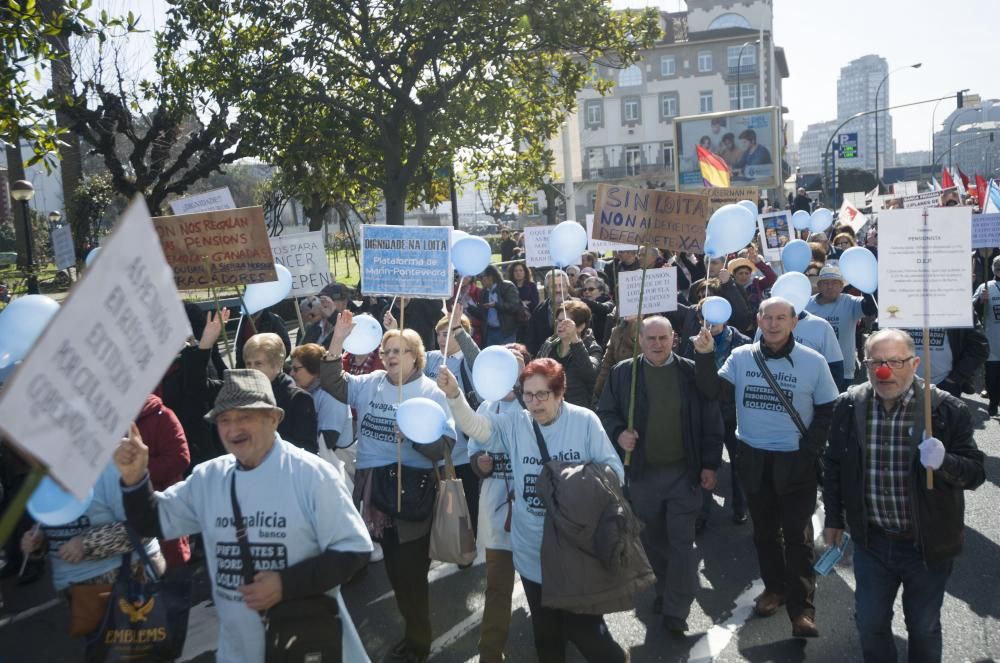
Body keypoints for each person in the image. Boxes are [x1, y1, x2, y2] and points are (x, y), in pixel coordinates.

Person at [114, 370, 373, 663]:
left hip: (309, 644)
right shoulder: (208, 478)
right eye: (224, 420)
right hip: (238, 651)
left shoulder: (311, 475)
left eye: (244, 416)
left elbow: (354, 551)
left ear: (273, 418)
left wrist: (284, 584)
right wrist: (135, 480)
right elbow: (153, 521)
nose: (233, 428)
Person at [436, 359, 631, 663]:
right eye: (528, 395)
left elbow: (614, 472)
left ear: (560, 393)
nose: (534, 403)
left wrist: (574, 483)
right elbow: (476, 427)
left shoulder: (585, 421)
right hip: (532, 551)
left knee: (586, 631)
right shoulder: (516, 423)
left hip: (576, 549)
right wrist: (454, 395)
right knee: (547, 634)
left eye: (542, 395)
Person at [823, 328, 985, 662]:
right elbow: (834, 465)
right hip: (872, 541)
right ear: (866, 364)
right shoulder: (849, 405)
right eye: (876, 362)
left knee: (923, 627)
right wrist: (835, 519)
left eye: (895, 362)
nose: (885, 371)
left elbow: (975, 474)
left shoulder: (945, 409)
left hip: (925, 544)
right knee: (869, 623)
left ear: (914, 364)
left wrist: (945, 462)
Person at [693, 297, 839, 638]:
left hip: (795, 461)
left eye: (780, 318)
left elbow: (829, 410)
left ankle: (802, 610)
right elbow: (712, 391)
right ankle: (775, 589)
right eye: (767, 317)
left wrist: (807, 451)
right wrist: (703, 355)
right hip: (754, 459)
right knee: (764, 534)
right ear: (758, 321)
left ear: (793, 323)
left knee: (797, 537)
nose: (773, 324)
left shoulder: (813, 362)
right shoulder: (741, 357)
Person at [321, 312, 456, 662]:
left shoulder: (429, 392)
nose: (391, 356)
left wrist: (417, 435)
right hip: (376, 492)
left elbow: (444, 448)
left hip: (413, 495)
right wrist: (337, 339)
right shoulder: (372, 383)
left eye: (400, 350)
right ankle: (412, 633)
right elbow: (331, 381)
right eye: (387, 350)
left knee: (411, 574)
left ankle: (419, 643)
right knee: (395, 571)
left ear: (416, 356)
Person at [597, 316, 723, 634]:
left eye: (662, 338)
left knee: (682, 544)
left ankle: (676, 609)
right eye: (650, 338)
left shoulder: (689, 371)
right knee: (653, 541)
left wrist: (710, 464)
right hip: (642, 475)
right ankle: (664, 591)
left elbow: (711, 416)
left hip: (684, 473)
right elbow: (606, 411)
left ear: (674, 339)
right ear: (639, 340)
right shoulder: (623, 373)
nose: (657, 344)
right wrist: (618, 433)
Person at [20, 463, 164, 639]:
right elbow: (55, 526)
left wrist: (87, 543)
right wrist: (39, 540)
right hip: (79, 597)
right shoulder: (45, 476)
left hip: (125, 585)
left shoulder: (109, 469)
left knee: (137, 653)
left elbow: (145, 526)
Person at [467, 343, 530, 663]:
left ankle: (556, 639)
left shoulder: (537, 404)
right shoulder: (485, 408)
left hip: (533, 510)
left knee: (543, 584)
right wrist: (480, 462)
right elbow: (472, 451)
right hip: (496, 508)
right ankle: (490, 653)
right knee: (497, 586)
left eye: (516, 364)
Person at [682, 306, 752, 530]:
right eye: (705, 318)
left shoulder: (742, 341)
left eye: (714, 317)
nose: (710, 323)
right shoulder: (692, 340)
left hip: (733, 412)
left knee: (738, 462)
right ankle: (701, 513)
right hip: (703, 411)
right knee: (704, 463)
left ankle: (740, 506)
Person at [135, 393, 191, 569]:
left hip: (164, 513)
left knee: (173, 581)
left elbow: (180, 458)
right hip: (127, 527)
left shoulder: (162, 415)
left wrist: (137, 469)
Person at [243, 332, 319, 453]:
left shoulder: (298, 399)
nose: (252, 369)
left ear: (277, 364)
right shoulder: (244, 396)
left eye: (258, 363)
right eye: (248, 363)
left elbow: (308, 448)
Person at [805, 265, 877, 390]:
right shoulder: (807, 304)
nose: (830, 286)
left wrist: (864, 284)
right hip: (813, 368)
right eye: (825, 283)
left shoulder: (850, 302)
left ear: (841, 286)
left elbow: (871, 308)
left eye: (834, 282)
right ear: (819, 286)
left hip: (843, 370)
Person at [290, 343, 353, 474]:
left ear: (313, 369)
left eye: (296, 369)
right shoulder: (307, 391)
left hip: (338, 467)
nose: (291, 374)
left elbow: (328, 440)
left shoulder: (330, 394)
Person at [536, 300, 602, 408]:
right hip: (550, 409)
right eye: (559, 321)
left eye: (567, 322)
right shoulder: (549, 345)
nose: (561, 325)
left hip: (579, 410)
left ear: (581, 327)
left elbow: (590, 375)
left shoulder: (593, 348)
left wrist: (575, 340)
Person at [903, 326, 988, 398]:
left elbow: (980, 348)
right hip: (905, 384)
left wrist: (955, 378)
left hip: (945, 385)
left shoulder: (961, 310)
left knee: (943, 417)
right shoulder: (905, 308)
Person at [974, 256, 1000, 414]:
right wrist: (980, 301)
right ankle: (993, 401)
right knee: (992, 376)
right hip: (993, 340)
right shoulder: (986, 287)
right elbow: (973, 311)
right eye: (998, 268)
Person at [526, 269, 574, 356]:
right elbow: (532, 340)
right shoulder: (539, 311)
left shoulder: (578, 308)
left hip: (572, 359)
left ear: (567, 286)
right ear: (547, 289)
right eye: (554, 286)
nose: (558, 290)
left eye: (561, 285)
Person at [476, 264, 523, 347]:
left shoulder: (507, 286)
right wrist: (469, 307)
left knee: (507, 357)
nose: (480, 280)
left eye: (481, 277)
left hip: (506, 332)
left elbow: (514, 306)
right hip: (490, 332)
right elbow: (482, 314)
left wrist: (496, 305)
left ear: (490, 277)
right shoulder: (483, 292)